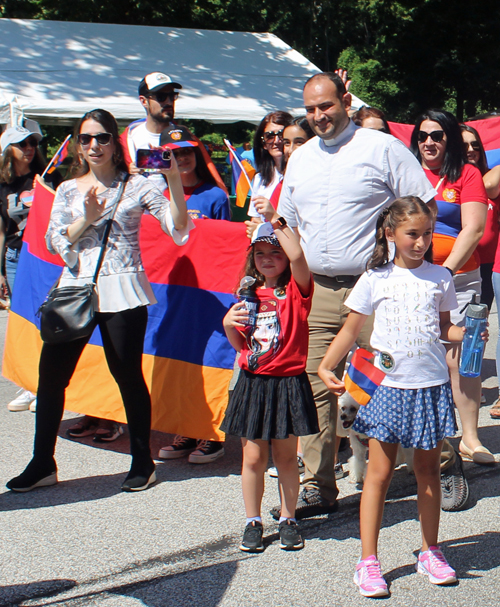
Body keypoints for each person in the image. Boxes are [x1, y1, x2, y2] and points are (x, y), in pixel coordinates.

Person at [273, 71, 437, 521]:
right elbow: (286, 223)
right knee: (314, 383)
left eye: (325, 106)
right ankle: (317, 485)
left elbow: (423, 206)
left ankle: (442, 463)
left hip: (378, 285)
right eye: (309, 109)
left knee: (401, 378)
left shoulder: (381, 148)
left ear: (345, 100)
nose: (318, 116)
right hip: (322, 289)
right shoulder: (301, 158)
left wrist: (414, 270)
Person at [6, 108, 190, 493]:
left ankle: (143, 461)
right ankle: (42, 462)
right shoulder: (70, 189)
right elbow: (52, 241)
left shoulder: (138, 185)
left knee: (127, 377)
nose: (94, 145)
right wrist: (87, 217)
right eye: (86, 138)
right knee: (51, 378)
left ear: (115, 141)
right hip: (75, 289)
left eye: (102, 137)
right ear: (77, 144)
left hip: (123, 290)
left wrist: (172, 180)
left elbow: (177, 231)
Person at [318, 197, 479, 597]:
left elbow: (446, 328)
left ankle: (430, 551)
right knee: (379, 474)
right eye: (413, 234)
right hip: (387, 389)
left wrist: (470, 333)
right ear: (390, 233)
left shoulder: (440, 277)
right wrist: (325, 366)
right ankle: (368, 561)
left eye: (428, 234)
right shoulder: (375, 278)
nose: (422, 242)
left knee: (428, 473)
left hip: (429, 387)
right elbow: (350, 330)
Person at [221, 205, 319, 553]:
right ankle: (253, 520)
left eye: (274, 253)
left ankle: (289, 518)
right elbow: (240, 345)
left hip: (288, 383)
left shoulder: (297, 291)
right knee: (251, 459)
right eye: (259, 253)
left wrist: (275, 220)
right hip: (253, 382)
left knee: (286, 458)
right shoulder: (247, 294)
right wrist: (228, 324)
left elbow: (298, 255)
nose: (266, 259)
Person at [410, 110, 494, 467]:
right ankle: (431, 437)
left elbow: (473, 229)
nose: (429, 142)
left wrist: (442, 273)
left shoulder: (468, 174)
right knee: (422, 358)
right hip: (411, 283)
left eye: (438, 135)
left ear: (450, 140)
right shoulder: (407, 174)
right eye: (423, 135)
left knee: (467, 359)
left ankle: (470, 438)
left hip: (461, 281)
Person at [156, 125, 229, 464]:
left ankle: (211, 432)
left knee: (210, 361)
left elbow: (223, 248)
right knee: (177, 358)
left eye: (185, 151)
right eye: (171, 153)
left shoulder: (214, 196)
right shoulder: (155, 195)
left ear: (197, 154)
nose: (179, 158)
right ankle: (185, 426)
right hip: (169, 292)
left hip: (206, 293)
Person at [0, 122, 63, 413]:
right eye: (22, 144)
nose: (28, 149)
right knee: (22, 319)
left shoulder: (49, 176)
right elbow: (2, 229)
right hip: (15, 256)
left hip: (45, 257)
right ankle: (28, 383)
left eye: (33, 144)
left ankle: (45, 383)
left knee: (45, 320)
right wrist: (0, 269)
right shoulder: (2, 183)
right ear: (8, 149)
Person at [460, 124, 499, 310]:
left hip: (489, 267)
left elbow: (490, 184)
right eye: (464, 145)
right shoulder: (450, 181)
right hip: (461, 264)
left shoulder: (492, 176)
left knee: (478, 326)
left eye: (475, 145)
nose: (471, 150)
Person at [245, 111, 292, 227]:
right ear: (263, 144)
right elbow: (255, 219)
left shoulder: (301, 175)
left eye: (281, 134)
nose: (276, 141)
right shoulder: (259, 178)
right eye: (269, 136)